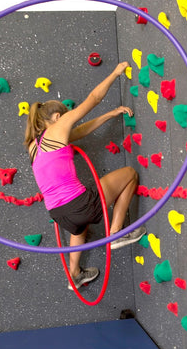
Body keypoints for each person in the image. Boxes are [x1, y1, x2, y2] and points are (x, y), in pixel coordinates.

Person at [24, 62, 146, 290]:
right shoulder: (58, 127)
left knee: (78, 230)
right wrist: (115, 72)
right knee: (129, 174)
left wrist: (110, 115)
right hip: (78, 204)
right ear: (58, 116)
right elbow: (94, 98)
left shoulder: (33, 145)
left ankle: (75, 274)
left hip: (58, 213)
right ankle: (117, 234)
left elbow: (81, 132)